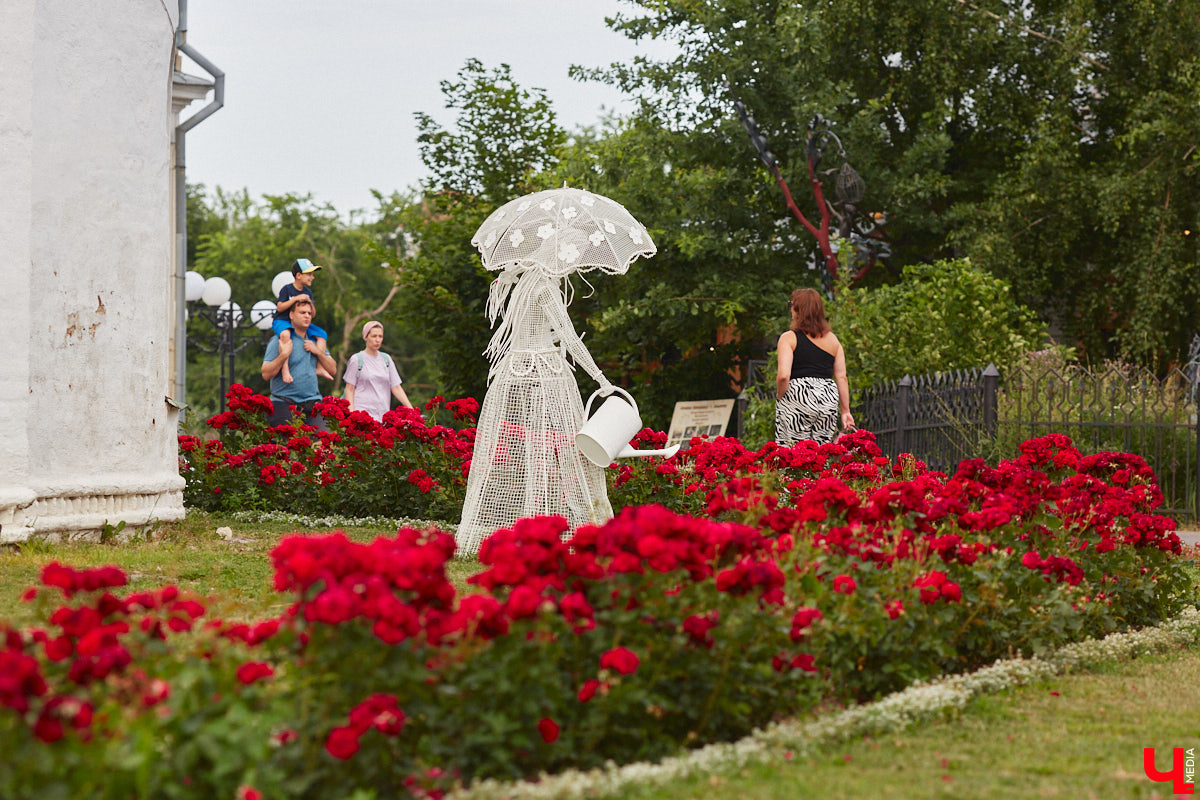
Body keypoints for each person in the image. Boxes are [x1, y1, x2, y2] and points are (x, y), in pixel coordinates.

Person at [455, 262, 618, 556]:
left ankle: (529, 529)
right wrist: (600, 378)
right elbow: (569, 337)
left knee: (532, 450)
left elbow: (531, 330)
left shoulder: (525, 283)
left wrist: (548, 337)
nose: (573, 266)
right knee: (565, 449)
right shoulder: (545, 287)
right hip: (544, 373)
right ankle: (558, 532)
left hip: (514, 369)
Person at [775, 287, 854, 445]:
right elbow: (841, 377)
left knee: (792, 452)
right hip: (827, 397)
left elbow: (784, 375)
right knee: (821, 451)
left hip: (797, 394)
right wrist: (845, 411)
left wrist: (780, 395)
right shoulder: (833, 341)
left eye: (792, 305)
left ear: (799, 310)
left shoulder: (789, 338)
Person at [261, 296, 337, 429]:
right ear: (291, 315)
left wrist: (318, 352)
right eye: (302, 313)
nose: (307, 316)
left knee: (323, 443)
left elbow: (332, 369)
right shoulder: (279, 340)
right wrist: (284, 355)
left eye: (309, 313)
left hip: (313, 402)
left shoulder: (316, 340)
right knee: (292, 445)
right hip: (284, 402)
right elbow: (266, 374)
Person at [273, 258, 332, 383]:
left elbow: (313, 314)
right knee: (285, 334)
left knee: (322, 335)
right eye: (309, 274)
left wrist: (310, 303)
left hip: (300, 322)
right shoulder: (287, 289)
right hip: (283, 320)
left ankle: (320, 366)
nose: (312, 277)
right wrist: (295, 299)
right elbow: (280, 307)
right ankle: (285, 369)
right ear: (299, 275)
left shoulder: (308, 292)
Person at [342, 320, 414, 421]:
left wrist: (412, 410)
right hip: (362, 416)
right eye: (374, 336)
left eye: (380, 336)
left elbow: (396, 387)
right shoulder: (356, 359)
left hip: (383, 415)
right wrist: (352, 416)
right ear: (366, 337)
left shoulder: (386, 359)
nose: (378, 340)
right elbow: (349, 389)